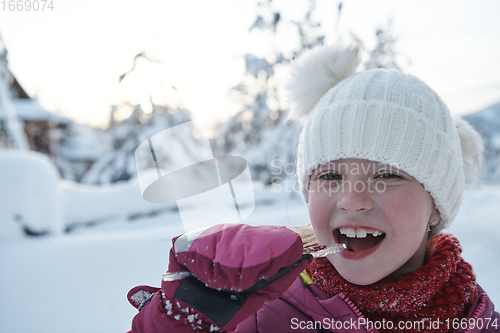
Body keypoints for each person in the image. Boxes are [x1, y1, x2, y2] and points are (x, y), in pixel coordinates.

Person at [126, 42, 500, 332]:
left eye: (388, 176)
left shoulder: (478, 321)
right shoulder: (255, 315)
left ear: (437, 203)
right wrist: (178, 323)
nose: (353, 200)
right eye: (331, 176)